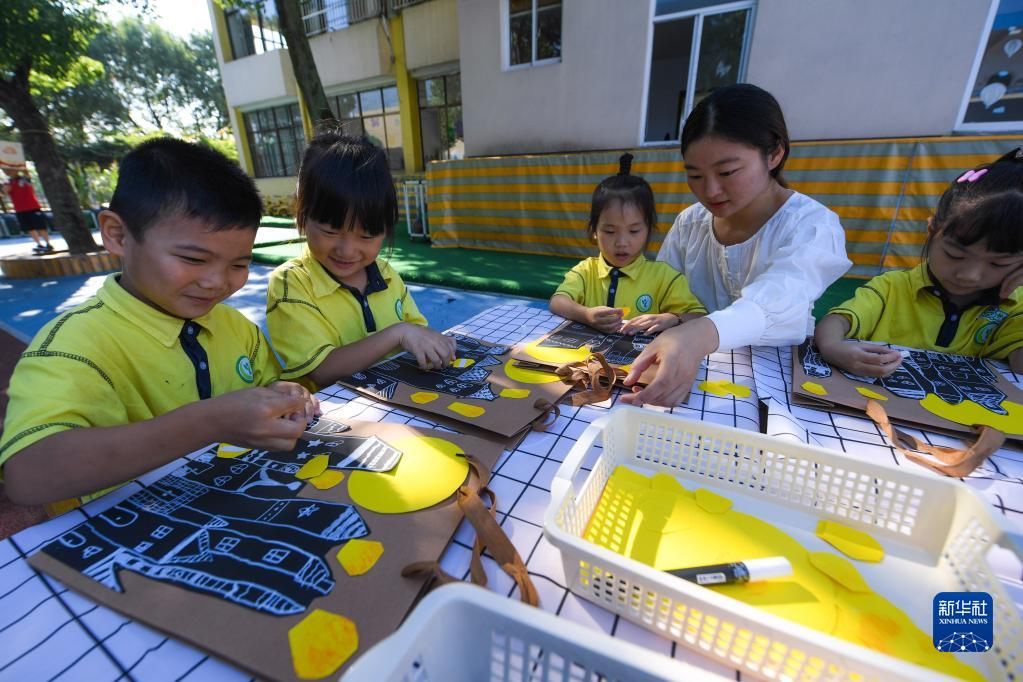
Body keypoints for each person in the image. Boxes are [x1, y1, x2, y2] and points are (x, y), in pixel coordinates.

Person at [0, 138, 317, 512]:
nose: (217, 282)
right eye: (193, 259)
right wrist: (208, 423)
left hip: (238, 500)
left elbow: (267, 386)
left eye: (238, 265)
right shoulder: (73, 344)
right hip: (134, 527)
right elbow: (27, 475)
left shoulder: (234, 325)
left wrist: (284, 396)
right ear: (117, 235)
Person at [622, 84, 851, 406]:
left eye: (727, 172)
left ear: (774, 154)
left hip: (780, 387)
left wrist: (700, 333)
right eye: (695, 175)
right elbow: (666, 289)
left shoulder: (812, 226)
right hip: (693, 372)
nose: (710, 191)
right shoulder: (690, 223)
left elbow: (776, 301)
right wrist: (675, 317)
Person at [266, 131, 455, 390]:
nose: (347, 251)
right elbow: (322, 371)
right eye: (330, 231)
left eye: (366, 236)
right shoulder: (291, 283)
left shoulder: (386, 273)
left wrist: (432, 345)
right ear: (302, 213)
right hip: (335, 409)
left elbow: (416, 331)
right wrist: (398, 333)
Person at [815, 148, 1023, 376]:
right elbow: (836, 322)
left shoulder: (1015, 306)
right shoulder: (893, 288)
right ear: (931, 231)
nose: (969, 275)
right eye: (955, 254)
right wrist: (832, 346)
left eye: (998, 264)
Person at [549, 153, 706, 333]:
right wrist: (586, 314)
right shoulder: (586, 271)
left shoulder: (665, 277)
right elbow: (558, 301)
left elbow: (699, 316)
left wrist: (673, 318)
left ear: (649, 231)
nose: (622, 242)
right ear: (594, 231)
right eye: (610, 231)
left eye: (634, 231)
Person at [4, 170, 54, 254]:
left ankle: (48, 244)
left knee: (40, 226)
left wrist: (21, 168)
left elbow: (27, 175)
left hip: (33, 207)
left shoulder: (24, 179)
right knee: (30, 228)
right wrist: (6, 189)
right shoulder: (7, 183)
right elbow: (5, 193)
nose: (8, 172)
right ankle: (39, 244)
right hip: (20, 209)